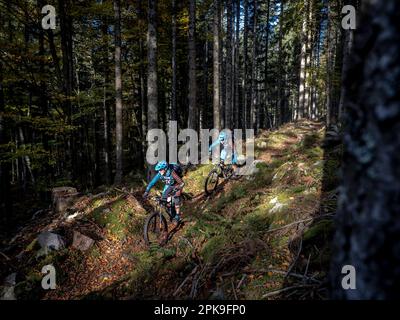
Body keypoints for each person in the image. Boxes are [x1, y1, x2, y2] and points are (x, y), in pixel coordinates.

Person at [143, 161, 185, 227]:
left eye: (160, 170)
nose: (159, 171)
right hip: (169, 186)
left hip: (177, 185)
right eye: (158, 170)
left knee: (176, 198)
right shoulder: (160, 174)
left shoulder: (172, 173)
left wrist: (176, 189)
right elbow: (152, 182)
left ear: (165, 169)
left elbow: (182, 183)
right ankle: (171, 212)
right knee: (163, 199)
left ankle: (177, 216)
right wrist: (146, 191)